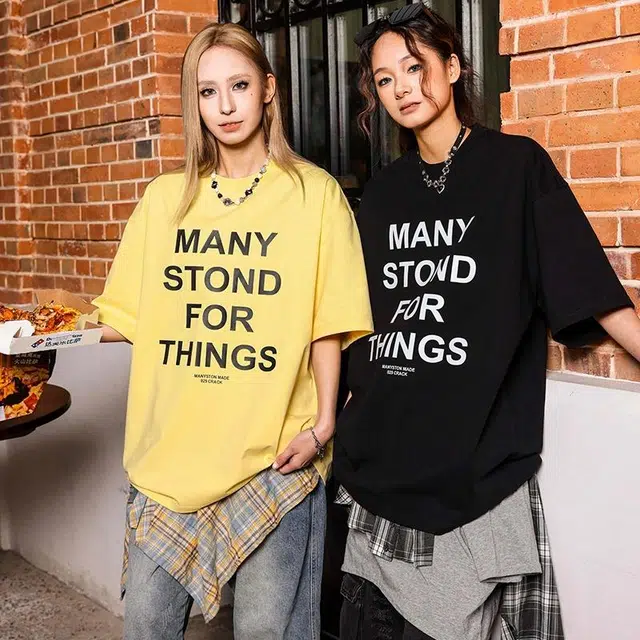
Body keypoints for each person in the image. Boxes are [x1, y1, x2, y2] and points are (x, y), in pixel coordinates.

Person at [332, 5, 640, 640]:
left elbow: (589, 286)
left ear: (452, 66)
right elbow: (357, 319)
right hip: (380, 454)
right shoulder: (383, 194)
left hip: (471, 458)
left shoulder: (516, 168)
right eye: (385, 79)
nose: (401, 88)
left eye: (414, 68)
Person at [93, 22, 372, 640]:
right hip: (169, 460)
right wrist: (36, 337)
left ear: (268, 89)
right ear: (194, 102)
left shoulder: (315, 196)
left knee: (271, 632)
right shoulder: (165, 200)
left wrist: (323, 426)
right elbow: (123, 320)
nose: (224, 105)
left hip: (274, 459)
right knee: (145, 625)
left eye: (239, 85)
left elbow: (327, 325)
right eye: (207, 91)